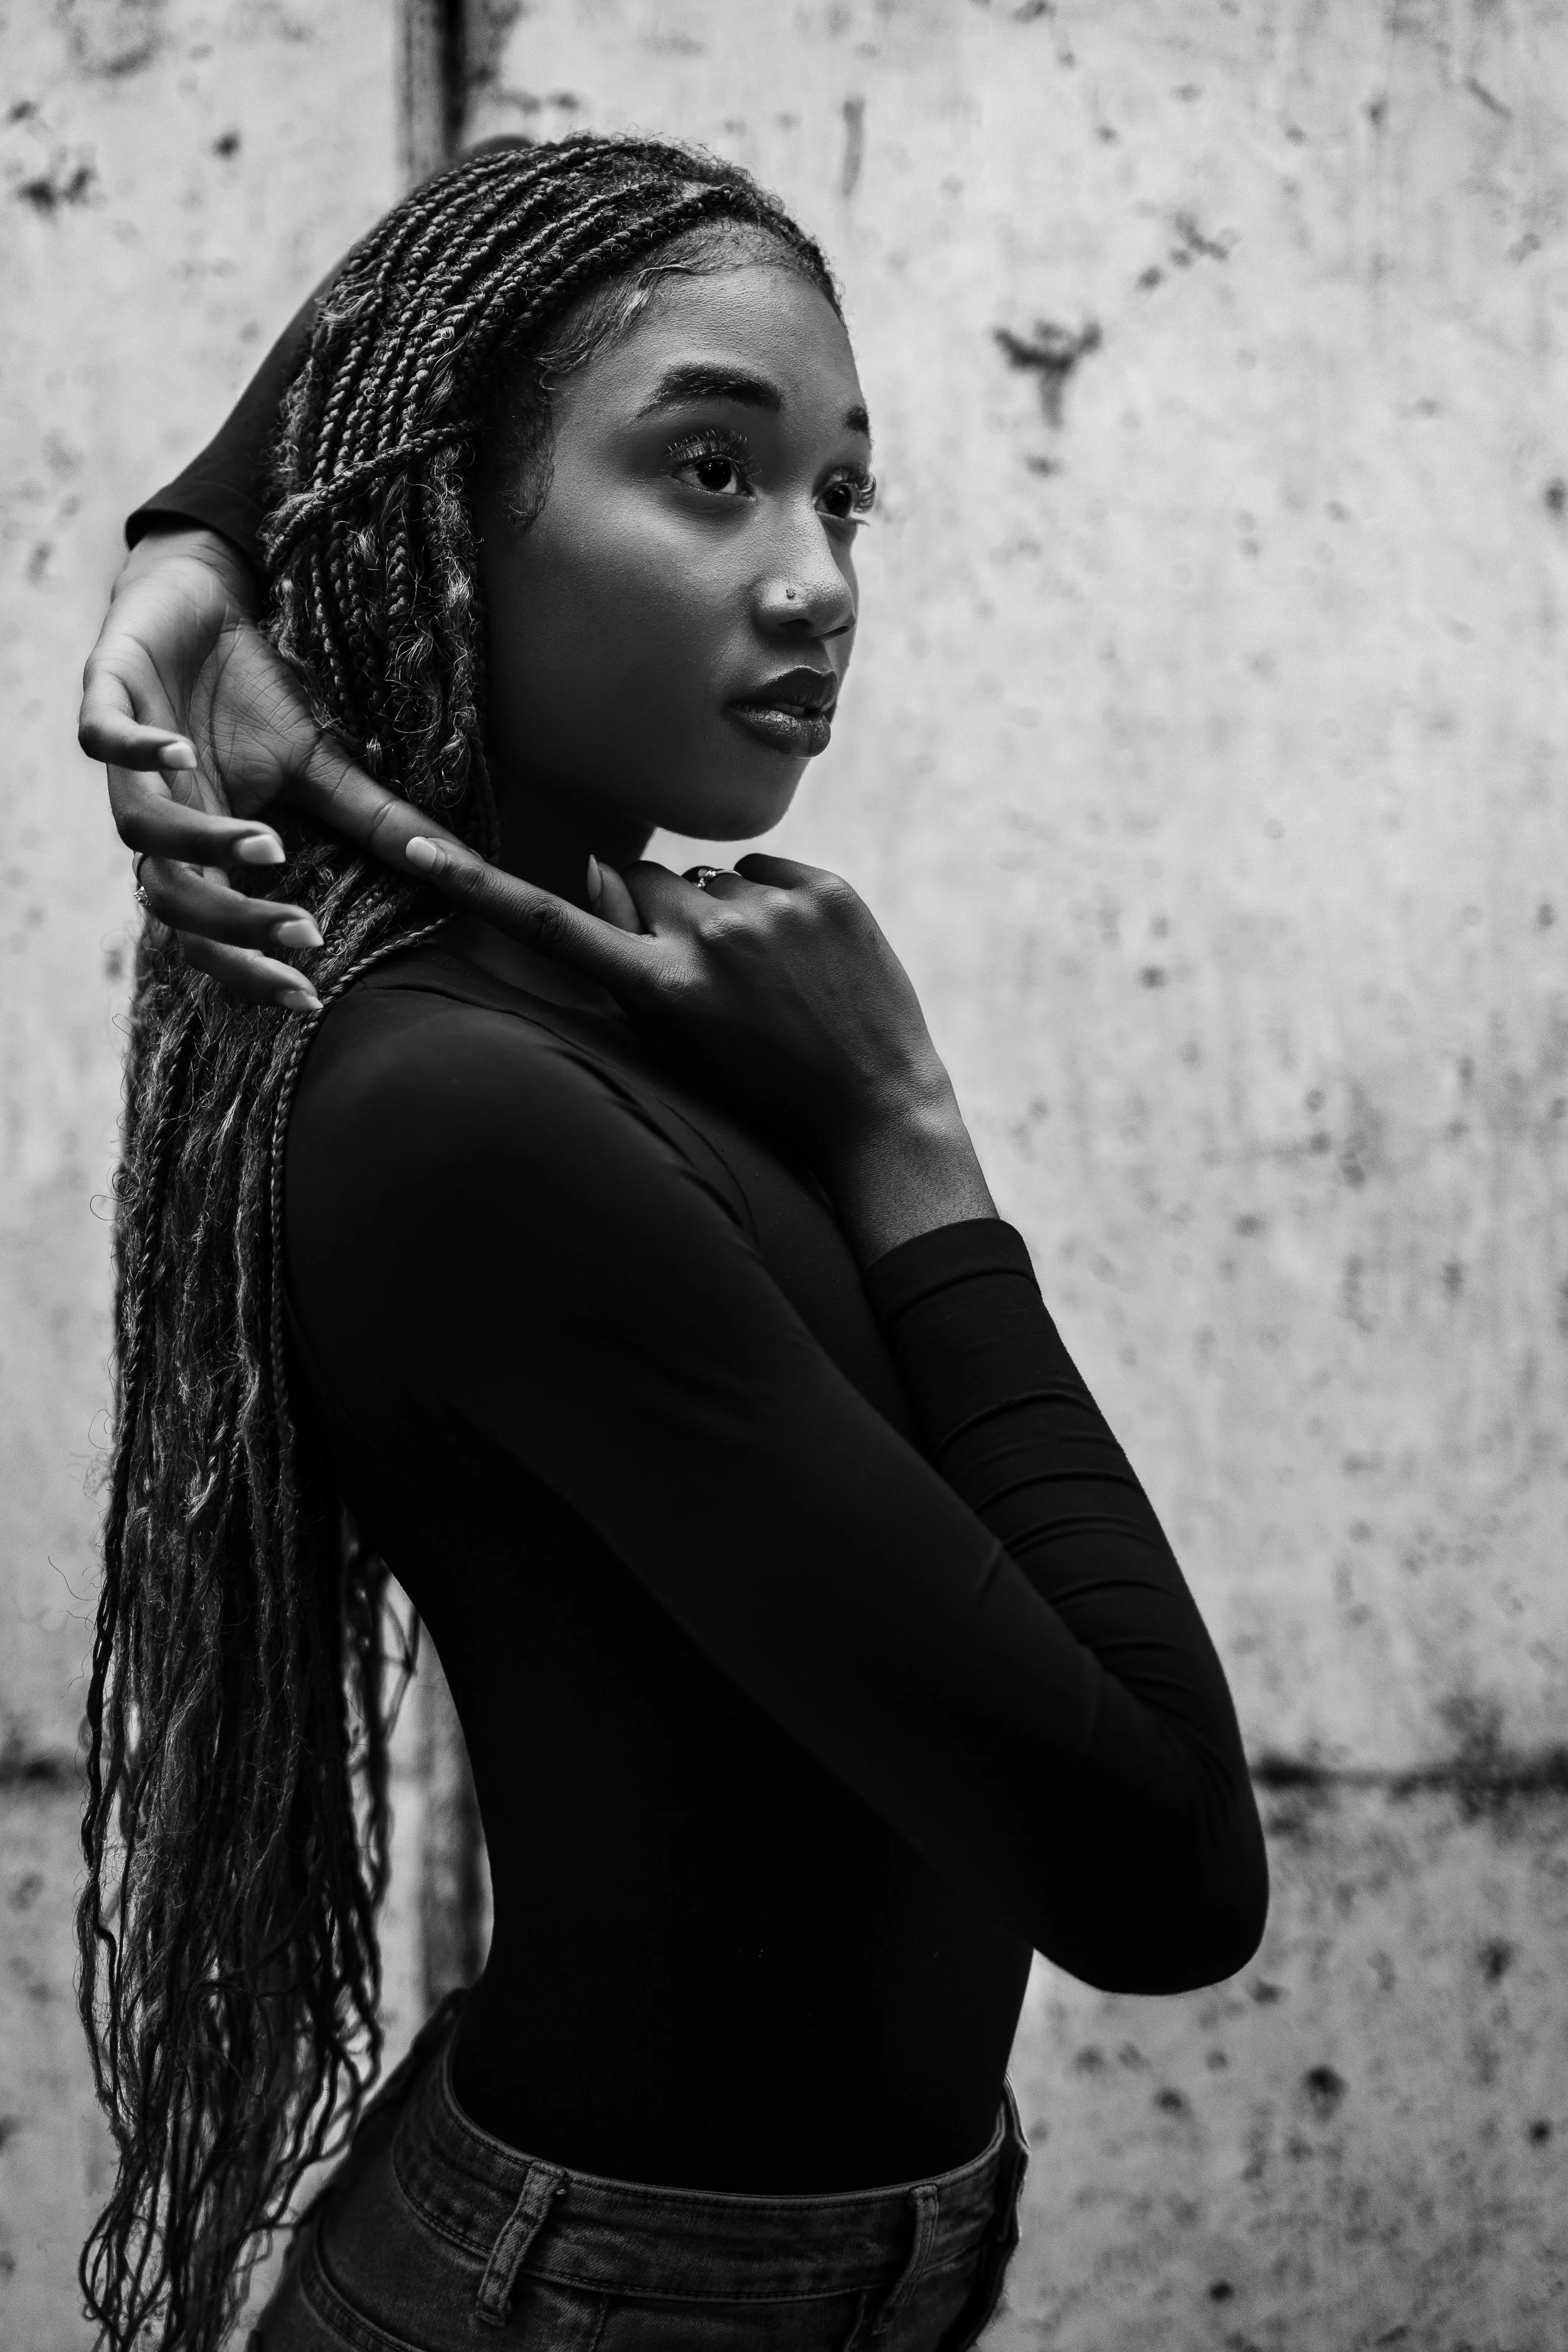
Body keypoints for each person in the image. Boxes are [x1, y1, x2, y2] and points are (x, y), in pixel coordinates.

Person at [76, 133, 1269, 2352]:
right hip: (598, 2306)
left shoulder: (629, 1000)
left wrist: (187, 542)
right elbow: (1165, 1871)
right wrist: (912, 1134)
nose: (814, 578)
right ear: (435, 510)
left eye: (842, 493)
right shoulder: (467, 1108)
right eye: (710, 472)